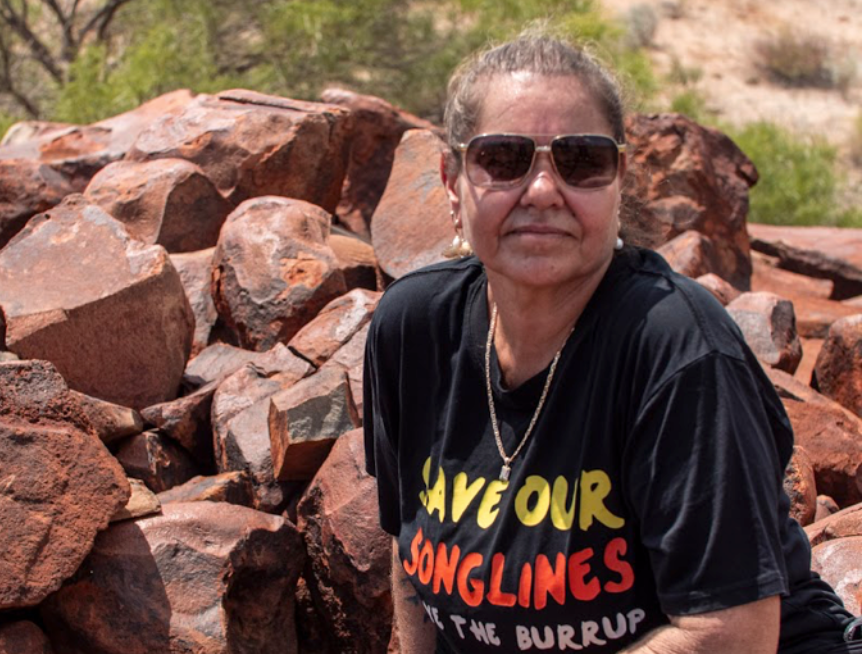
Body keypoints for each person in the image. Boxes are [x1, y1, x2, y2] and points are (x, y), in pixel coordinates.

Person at [363, 29, 860, 653]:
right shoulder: (413, 330)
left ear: (620, 178)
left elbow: (731, 633)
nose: (542, 190)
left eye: (581, 161)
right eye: (504, 158)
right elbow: (410, 558)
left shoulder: (677, 349)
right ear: (451, 178)